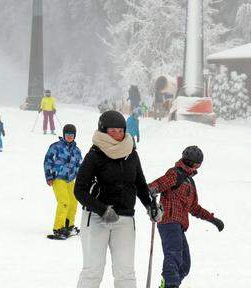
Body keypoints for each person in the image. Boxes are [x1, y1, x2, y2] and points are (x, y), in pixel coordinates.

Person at [74, 111, 157, 288]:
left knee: (125, 272)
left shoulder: (131, 154)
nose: (117, 135)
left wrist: (150, 205)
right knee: (93, 271)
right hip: (96, 219)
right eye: (112, 131)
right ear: (103, 130)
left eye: (120, 131)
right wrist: (102, 209)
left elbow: (140, 184)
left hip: (125, 218)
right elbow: (79, 191)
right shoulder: (94, 156)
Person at [148, 146, 225, 288]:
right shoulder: (175, 174)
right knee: (173, 255)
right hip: (169, 221)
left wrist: (212, 219)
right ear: (195, 164)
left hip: (179, 226)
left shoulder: (189, 181)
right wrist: (151, 191)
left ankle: (168, 284)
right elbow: (159, 184)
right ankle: (170, 284)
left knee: (184, 264)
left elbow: (194, 207)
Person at [44, 124, 82, 240]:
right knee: (64, 201)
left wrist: (81, 179)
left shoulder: (76, 150)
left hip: (71, 179)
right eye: (67, 134)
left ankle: (68, 225)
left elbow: (80, 165)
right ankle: (58, 227)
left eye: (71, 135)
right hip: (58, 178)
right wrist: (49, 176)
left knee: (73, 202)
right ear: (64, 135)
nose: (69, 137)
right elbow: (48, 161)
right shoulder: (56, 147)